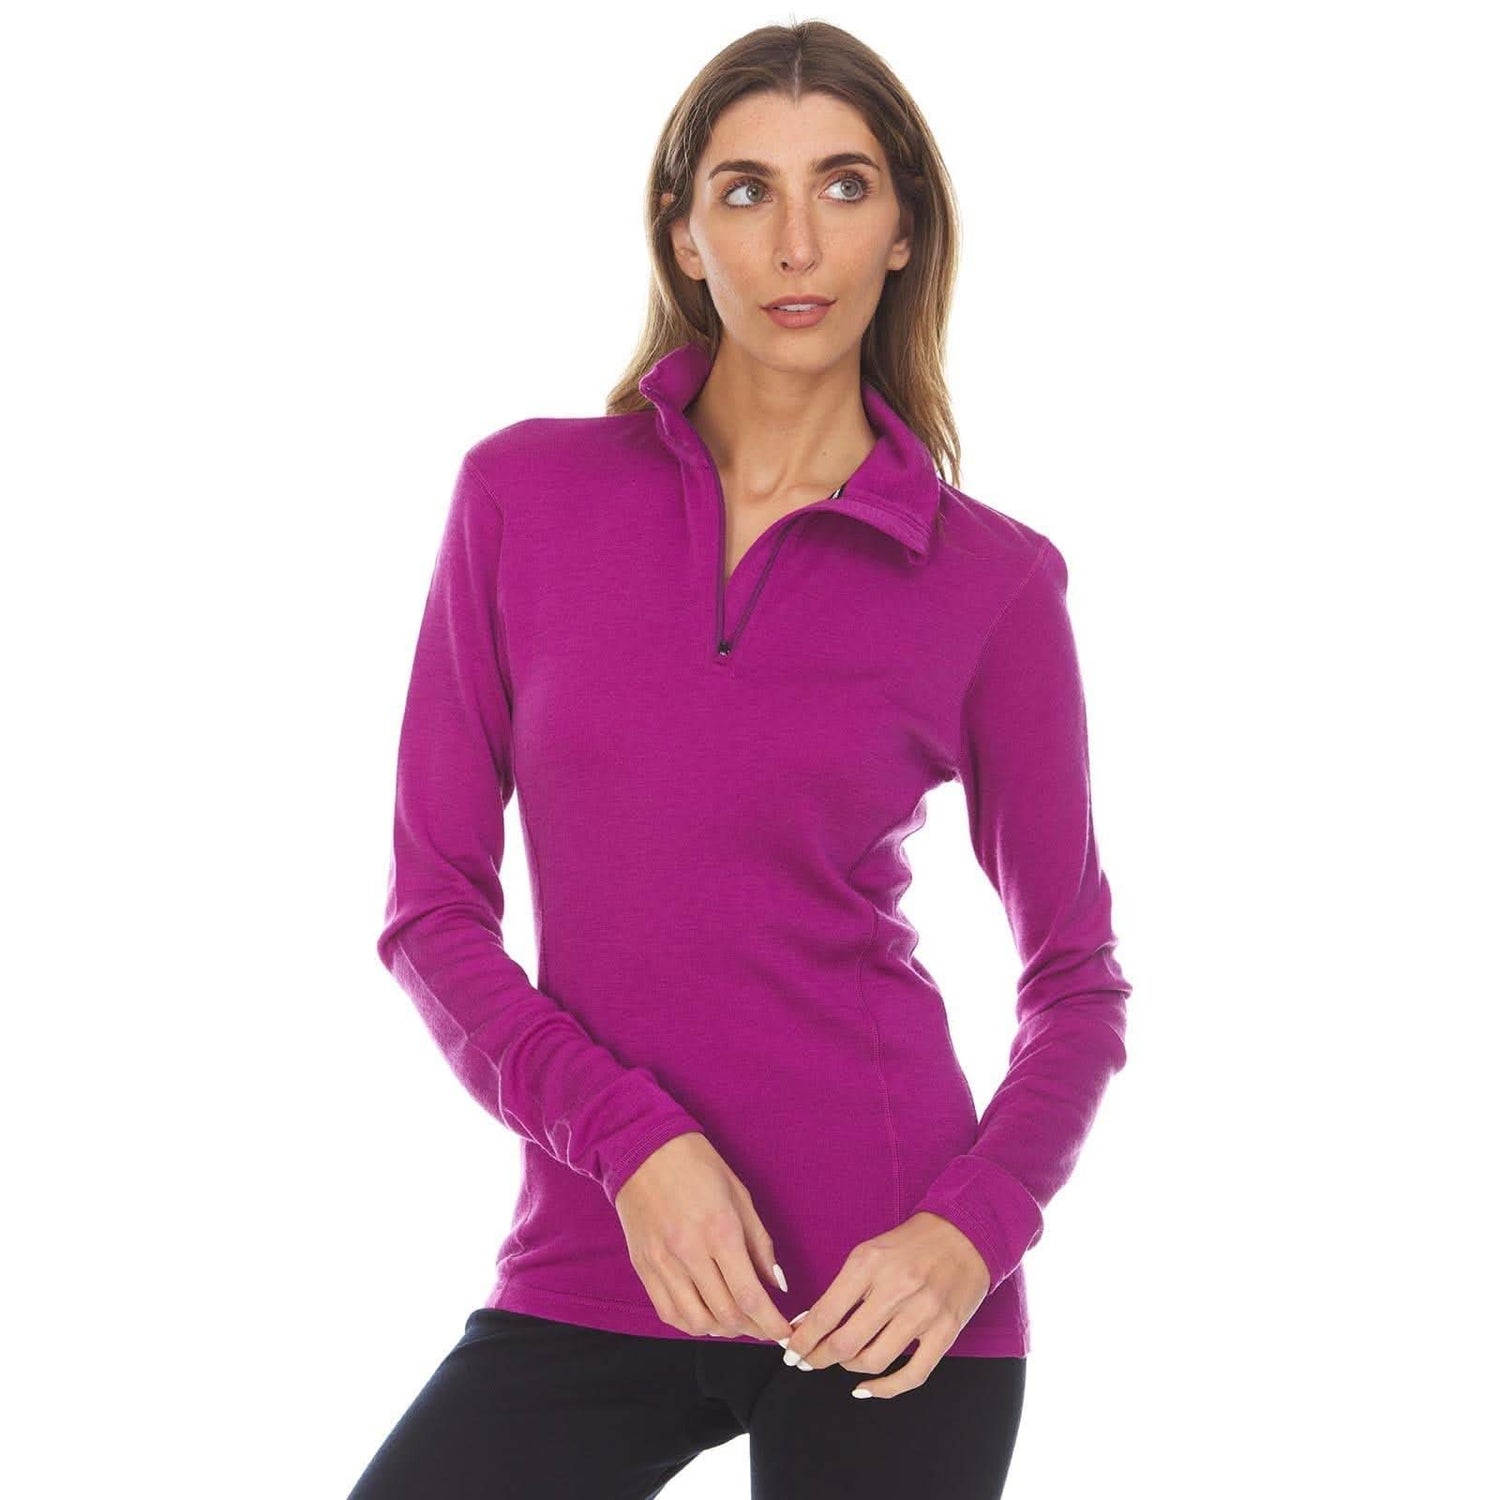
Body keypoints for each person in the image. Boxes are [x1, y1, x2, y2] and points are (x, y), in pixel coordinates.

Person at [348, 19, 1130, 1500]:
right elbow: (430, 912)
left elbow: (1078, 981)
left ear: (905, 229)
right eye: (747, 190)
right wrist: (632, 1146)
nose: (796, 244)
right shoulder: (523, 497)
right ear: (683, 232)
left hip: (894, 1292)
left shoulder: (994, 582)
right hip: (597, 1253)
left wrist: (970, 1233)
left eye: (844, 186)